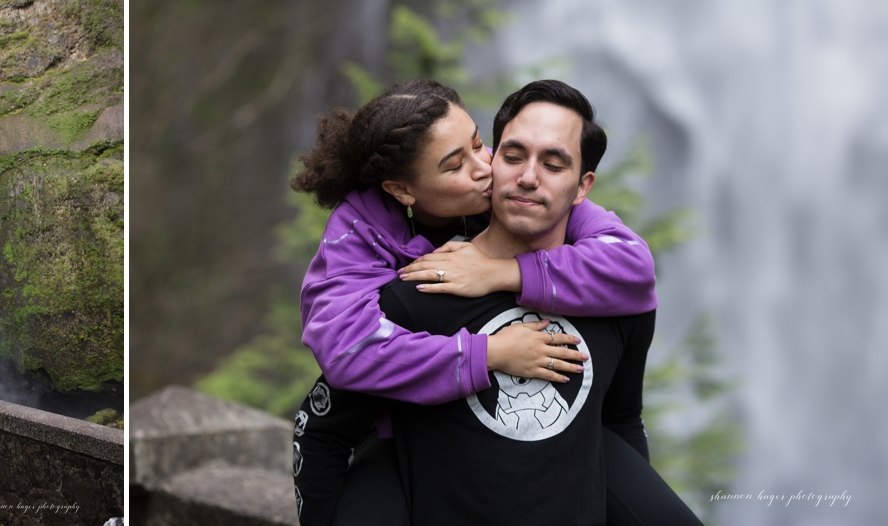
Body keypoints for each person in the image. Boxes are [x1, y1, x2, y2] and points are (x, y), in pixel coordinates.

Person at [292, 80, 697, 525]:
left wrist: (501, 273)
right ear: (403, 190)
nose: (488, 170)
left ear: (582, 186)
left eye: (480, 145)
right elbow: (344, 359)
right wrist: (491, 353)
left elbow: (634, 272)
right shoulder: (385, 262)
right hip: (406, 444)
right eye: (511, 155)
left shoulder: (554, 222)